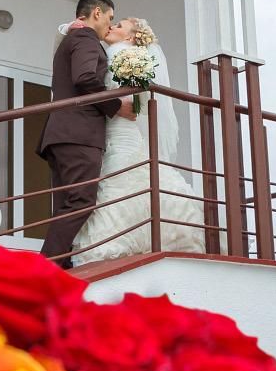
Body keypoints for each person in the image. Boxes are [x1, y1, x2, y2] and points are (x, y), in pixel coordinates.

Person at [70, 16, 205, 264]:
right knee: (124, 180)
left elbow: (133, 101)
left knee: (121, 178)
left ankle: (124, 241)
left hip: (121, 130)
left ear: (130, 38)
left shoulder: (123, 55)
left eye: (119, 26)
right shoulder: (111, 52)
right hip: (111, 129)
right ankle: (138, 238)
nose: (112, 26)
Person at [36, 0, 134, 268]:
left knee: (67, 202)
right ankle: (47, 265)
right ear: (97, 13)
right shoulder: (85, 37)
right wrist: (116, 105)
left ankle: (61, 263)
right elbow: (84, 77)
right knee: (81, 200)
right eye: (110, 18)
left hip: (61, 134)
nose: (110, 25)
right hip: (78, 134)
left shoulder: (73, 37)